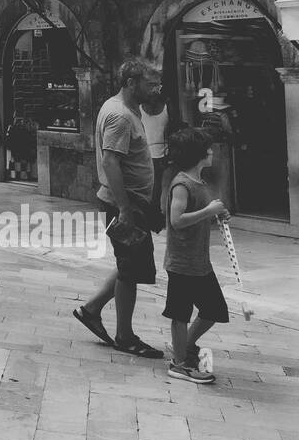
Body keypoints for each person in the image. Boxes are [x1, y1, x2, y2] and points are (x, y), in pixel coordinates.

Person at [72, 59, 164, 358]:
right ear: (131, 83)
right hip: (125, 204)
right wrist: (125, 209)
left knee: (130, 264)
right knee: (130, 270)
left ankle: (91, 309)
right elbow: (111, 161)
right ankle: (125, 336)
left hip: (134, 203)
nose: (157, 89)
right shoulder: (120, 116)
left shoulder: (124, 108)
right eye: (151, 84)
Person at [162, 128, 230, 385]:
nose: (212, 151)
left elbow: (198, 213)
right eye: (208, 149)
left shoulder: (200, 183)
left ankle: (183, 347)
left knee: (214, 309)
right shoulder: (182, 184)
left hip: (200, 262)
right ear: (198, 154)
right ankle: (179, 365)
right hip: (181, 263)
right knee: (180, 314)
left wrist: (216, 214)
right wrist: (209, 210)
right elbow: (176, 220)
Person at [142, 92, 171, 209]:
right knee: (156, 186)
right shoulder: (140, 110)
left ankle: (158, 212)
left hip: (163, 153)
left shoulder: (166, 108)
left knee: (159, 186)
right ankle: (155, 212)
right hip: (149, 153)